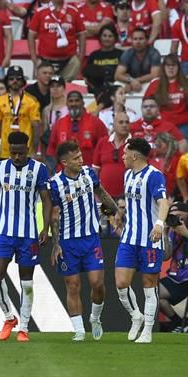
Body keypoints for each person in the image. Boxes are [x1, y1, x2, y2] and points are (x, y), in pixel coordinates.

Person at [0, 131, 52, 342]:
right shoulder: (0, 168)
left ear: (27, 149)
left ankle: (23, 327)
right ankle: (9, 317)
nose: (16, 157)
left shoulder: (39, 169)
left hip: (28, 234)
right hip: (3, 233)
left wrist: (46, 228)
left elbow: (46, 199)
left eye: (20, 153)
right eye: (12, 153)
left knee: (26, 282)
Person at [49, 141, 120, 341]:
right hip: (68, 242)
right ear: (64, 162)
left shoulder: (89, 174)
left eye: (81, 156)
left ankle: (95, 318)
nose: (81, 160)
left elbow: (102, 194)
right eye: (76, 158)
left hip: (91, 239)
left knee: (97, 283)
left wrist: (117, 212)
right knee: (73, 286)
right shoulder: (55, 184)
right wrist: (56, 244)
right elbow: (54, 216)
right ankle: (79, 330)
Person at [115, 137, 169, 343]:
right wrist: (121, 216)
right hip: (129, 237)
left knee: (149, 284)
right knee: (121, 283)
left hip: (149, 238)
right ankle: (135, 315)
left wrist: (159, 224)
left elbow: (163, 202)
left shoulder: (155, 176)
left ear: (134, 155)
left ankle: (147, 331)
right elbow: (134, 204)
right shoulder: (127, 174)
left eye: (125, 152)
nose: (123, 156)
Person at [0, 66, 42, 162]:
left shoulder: (32, 101)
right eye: (11, 78)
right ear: (7, 81)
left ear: (23, 81)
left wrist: (34, 151)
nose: (14, 81)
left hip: (25, 151)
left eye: (18, 78)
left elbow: (36, 127)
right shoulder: (0, 100)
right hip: (6, 150)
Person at [47, 91, 109, 168]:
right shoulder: (59, 124)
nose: (74, 104)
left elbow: (105, 147)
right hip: (64, 173)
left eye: (77, 100)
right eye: (71, 101)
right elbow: (51, 150)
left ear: (83, 103)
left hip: (88, 173)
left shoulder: (96, 123)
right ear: (67, 104)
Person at [28, 0, 86, 81]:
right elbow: (31, 35)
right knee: (44, 89)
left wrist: (80, 58)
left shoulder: (73, 11)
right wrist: (34, 58)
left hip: (69, 62)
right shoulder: (40, 11)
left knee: (67, 90)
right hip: (45, 61)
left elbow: (82, 34)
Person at [159, 201, 188, 332]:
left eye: (178, 215)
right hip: (175, 277)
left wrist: (185, 233)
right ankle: (181, 324)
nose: (175, 218)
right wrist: (165, 232)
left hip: (186, 278)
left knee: (154, 292)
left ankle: (181, 325)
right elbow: (166, 256)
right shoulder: (173, 232)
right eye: (172, 215)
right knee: (153, 293)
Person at [145, 54, 188, 139]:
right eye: (168, 65)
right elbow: (146, 104)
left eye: (173, 65)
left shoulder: (186, 83)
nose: (170, 68)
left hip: (184, 124)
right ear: (163, 67)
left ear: (178, 67)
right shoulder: (155, 84)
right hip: (162, 123)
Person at [93, 111, 131, 198]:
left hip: (127, 196)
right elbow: (95, 170)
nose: (124, 125)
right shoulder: (102, 142)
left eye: (127, 122)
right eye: (121, 122)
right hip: (104, 196)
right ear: (113, 125)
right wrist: (95, 194)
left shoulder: (134, 143)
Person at [115, 28, 161, 93]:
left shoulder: (154, 53)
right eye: (135, 39)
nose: (138, 42)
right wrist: (131, 81)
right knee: (117, 84)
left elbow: (154, 75)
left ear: (147, 40)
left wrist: (135, 81)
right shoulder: (127, 53)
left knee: (156, 82)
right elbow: (117, 75)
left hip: (147, 82)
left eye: (141, 39)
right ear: (132, 41)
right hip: (131, 83)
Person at [83, 24, 124, 97]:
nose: (107, 39)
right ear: (100, 38)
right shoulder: (94, 55)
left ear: (115, 38)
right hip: (96, 91)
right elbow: (86, 75)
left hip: (117, 88)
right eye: (104, 36)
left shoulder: (121, 54)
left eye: (110, 36)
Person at [171, 0, 188, 75]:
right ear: (182, 5)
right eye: (187, 2)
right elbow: (174, 48)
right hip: (186, 62)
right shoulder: (177, 24)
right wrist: (172, 64)